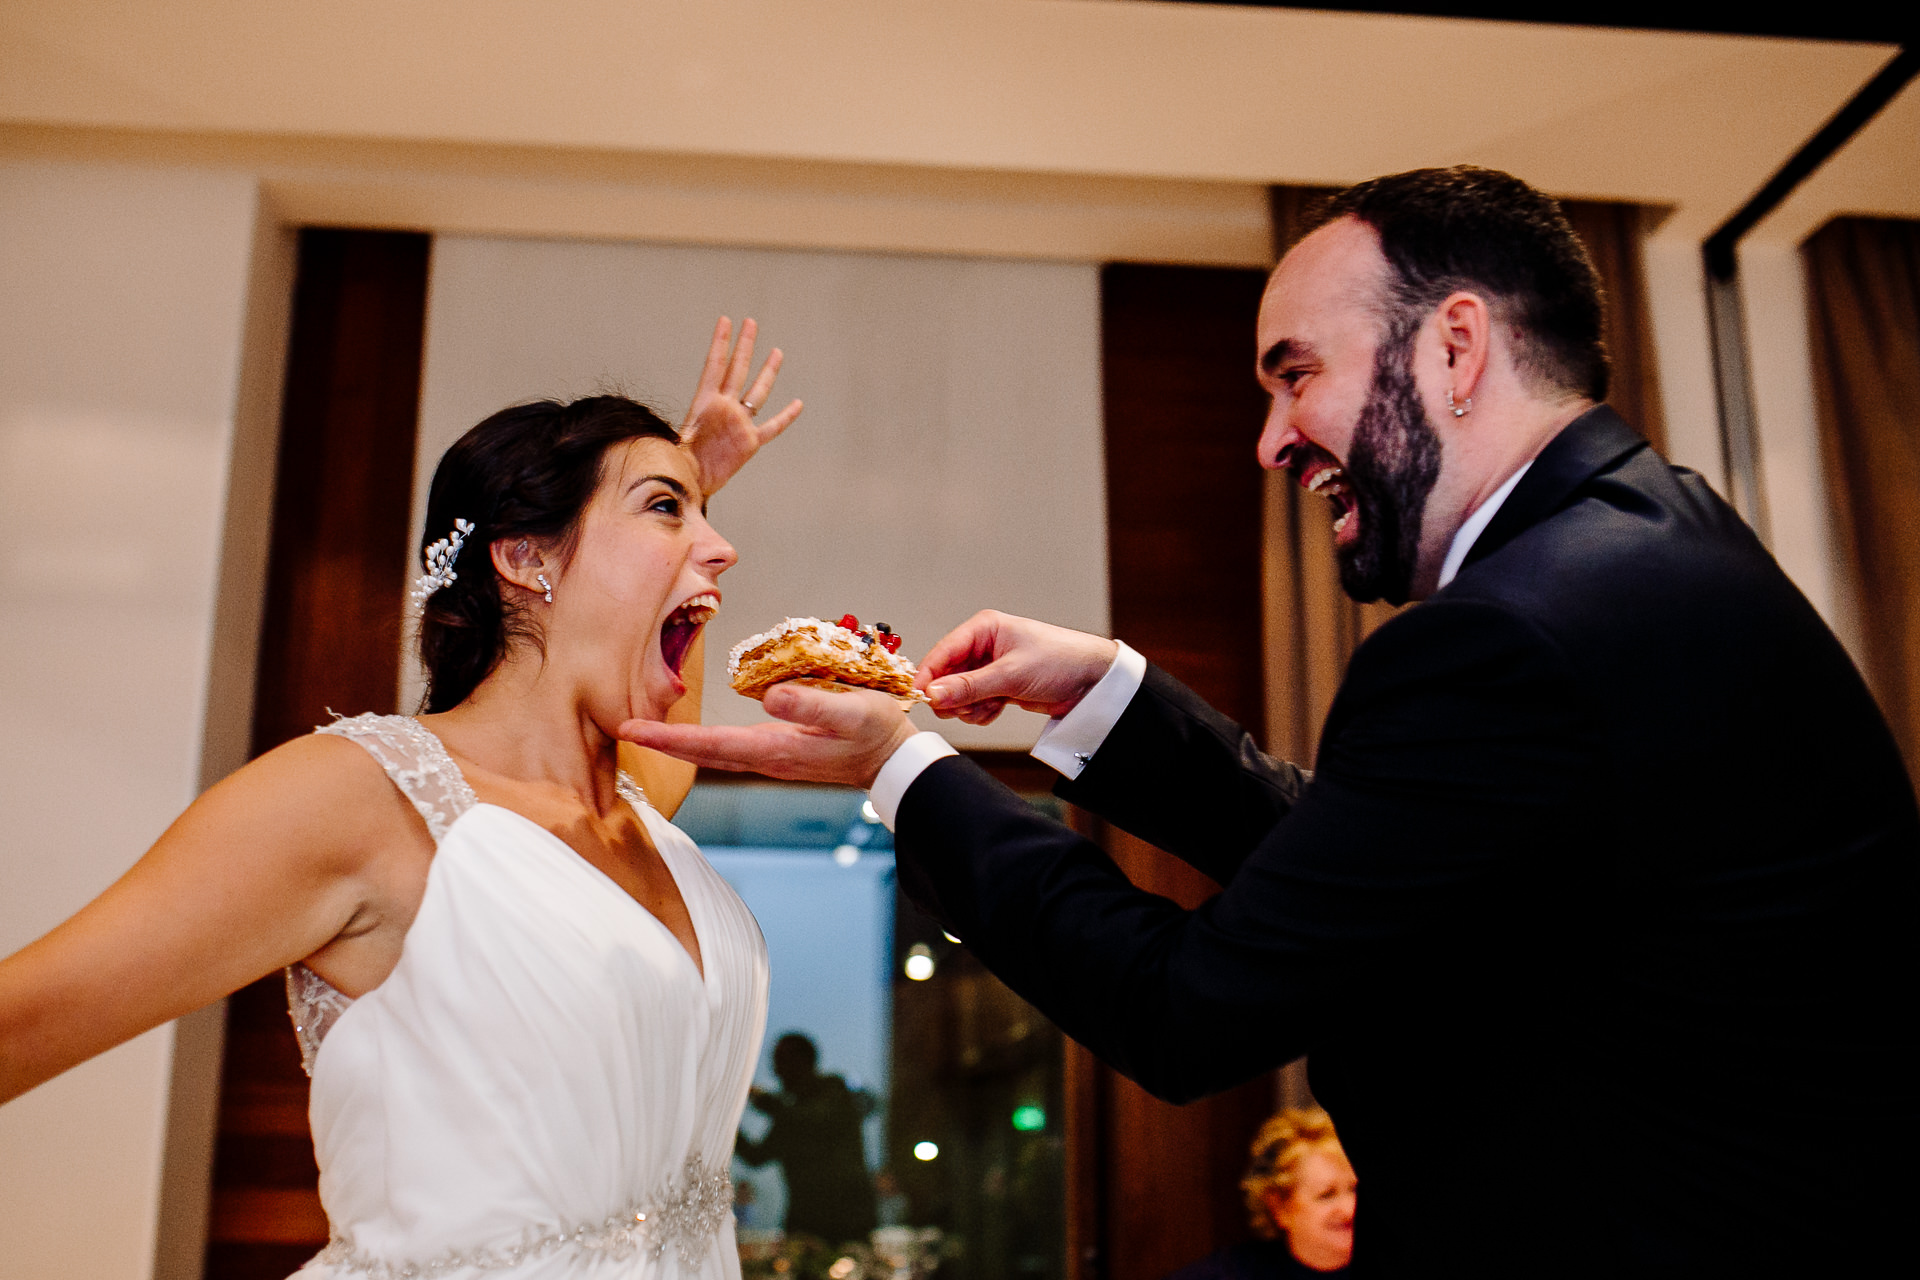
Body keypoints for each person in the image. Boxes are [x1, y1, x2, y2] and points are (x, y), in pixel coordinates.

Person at [621, 168, 1920, 1274]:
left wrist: (905, 769)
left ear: (1455, 348)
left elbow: (1193, 1009)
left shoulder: (1504, 636)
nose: (1271, 441)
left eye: (1294, 375)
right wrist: (1116, 702)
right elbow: (1377, 875)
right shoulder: (1651, 536)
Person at [0, 318, 801, 1278]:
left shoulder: (633, 809)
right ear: (525, 558)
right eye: (667, 509)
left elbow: (655, 684)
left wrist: (686, 485)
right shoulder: (363, 801)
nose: (722, 549)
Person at [1168, 1108, 1355, 1278]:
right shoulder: (1231, 1273)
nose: (1351, 1208)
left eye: (1355, 1189)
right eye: (1326, 1195)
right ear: (1279, 1207)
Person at [736, 1032, 878, 1246]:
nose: (776, 1071)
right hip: (806, 1223)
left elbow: (812, 1119)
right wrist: (725, 1125)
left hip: (848, 1220)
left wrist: (763, 1099)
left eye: (781, 1062)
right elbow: (756, 1156)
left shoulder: (834, 1091)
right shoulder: (790, 1113)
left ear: (803, 1062)